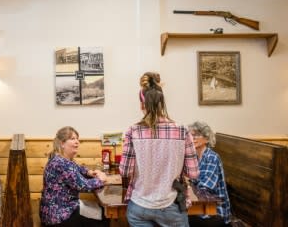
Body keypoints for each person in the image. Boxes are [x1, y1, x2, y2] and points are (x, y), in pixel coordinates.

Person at [119, 72, 199, 227]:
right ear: (162, 102)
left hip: (139, 206)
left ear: (142, 105)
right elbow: (193, 173)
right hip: (171, 205)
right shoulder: (182, 131)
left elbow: (125, 171)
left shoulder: (133, 131)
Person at [40, 126, 108, 227]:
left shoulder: (61, 159)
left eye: (77, 139)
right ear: (62, 144)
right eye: (72, 139)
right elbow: (83, 186)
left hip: (55, 210)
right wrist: (100, 179)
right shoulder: (62, 163)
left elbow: (78, 168)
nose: (77, 142)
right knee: (104, 215)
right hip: (59, 216)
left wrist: (89, 172)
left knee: (101, 210)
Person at [188, 121, 231, 226]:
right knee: (173, 213)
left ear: (206, 139)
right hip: (202, 204)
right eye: (191, 135)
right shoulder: (194, 157)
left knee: (178, 217)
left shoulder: (212, 157)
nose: (193, 138)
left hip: (215, 209)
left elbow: (205, 188)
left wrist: (188, 183)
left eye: (197, 135)